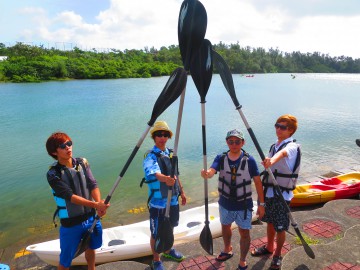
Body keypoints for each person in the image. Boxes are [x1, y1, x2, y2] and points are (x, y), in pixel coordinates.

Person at [201, 129, 265, 270]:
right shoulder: (221, 158)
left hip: (243, 205)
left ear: (243, 142)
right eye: (231, 142)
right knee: (225, 226)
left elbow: (258, 182)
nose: (234, 144)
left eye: (237, 142)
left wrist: (261, 204)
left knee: (244, 232)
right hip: (225, 203)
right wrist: (207, 174)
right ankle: (227, 249)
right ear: (227, 142)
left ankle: (242, 260)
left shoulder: (250, 160)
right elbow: (212, 171)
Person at [45, 132, 110, 270]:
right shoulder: (53, 174)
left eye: (69, 143)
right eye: (62, 146)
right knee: (65, 260)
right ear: (53, 152)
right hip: (71, 224)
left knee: (91, 248)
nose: (68, 147)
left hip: (91, 217)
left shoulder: (82, 163)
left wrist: (100, 205)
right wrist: (95, 204)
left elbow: (93, 184)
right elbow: (70, 196)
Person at [251, 114, 301, 270]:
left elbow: (283, 154)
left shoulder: (293, 146)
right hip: (270, 191)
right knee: (270, 222)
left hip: (282, 194)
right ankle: (269, 247)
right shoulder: (274, 145)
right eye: (277, 125)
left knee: (280, 226)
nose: (278, 129)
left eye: (283, 127)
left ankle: (278, 254)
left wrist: (270, 161)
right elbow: (274, 156)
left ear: (290, 130)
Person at [142, 121, 187, 270]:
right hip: (158, 203)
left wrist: (182, 191)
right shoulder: (150, 156)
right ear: (154, 137)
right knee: (156, 232)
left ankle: (168, 250)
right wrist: (165, 179)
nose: (162, 137)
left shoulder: (171, 153)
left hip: (173, 200)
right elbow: (153, 172)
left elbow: (176, 175)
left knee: (171, 226)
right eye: (159, 135)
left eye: (165, 135)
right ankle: (156, 260)